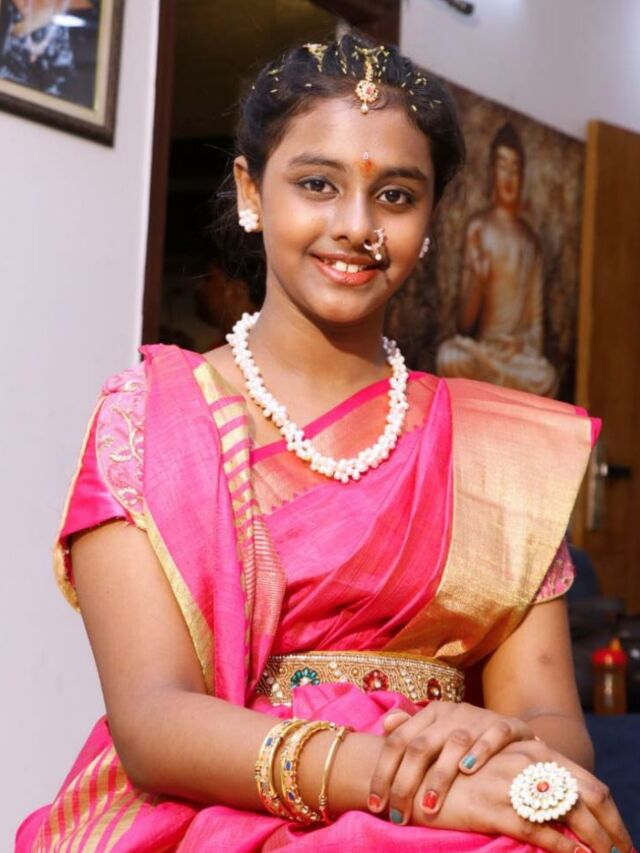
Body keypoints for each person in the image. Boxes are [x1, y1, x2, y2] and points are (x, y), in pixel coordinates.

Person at [17, 34, 633, 853]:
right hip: (222, 807)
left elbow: (553, 722)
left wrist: (496, 743)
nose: (356, 226)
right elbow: (153, 720)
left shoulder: (496, 449)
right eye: (318, 184)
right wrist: (400, 781)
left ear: (432, 220)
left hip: (460, 809)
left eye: (396, 196)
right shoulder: (151, 417)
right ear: (251, 190)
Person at [436, 123, 559, 397]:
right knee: (450, 355)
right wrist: (477, 281)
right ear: (492, 171)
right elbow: (465, 326)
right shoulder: (479, 228)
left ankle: (498, 384)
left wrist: (523, 345)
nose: (509, 176)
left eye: (515, 168)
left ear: (523, 175)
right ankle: (502, 388)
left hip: (516, 357)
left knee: (546, 375)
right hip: (483, 350)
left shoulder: (531, 242)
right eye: (503, 166)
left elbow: (535, 322)